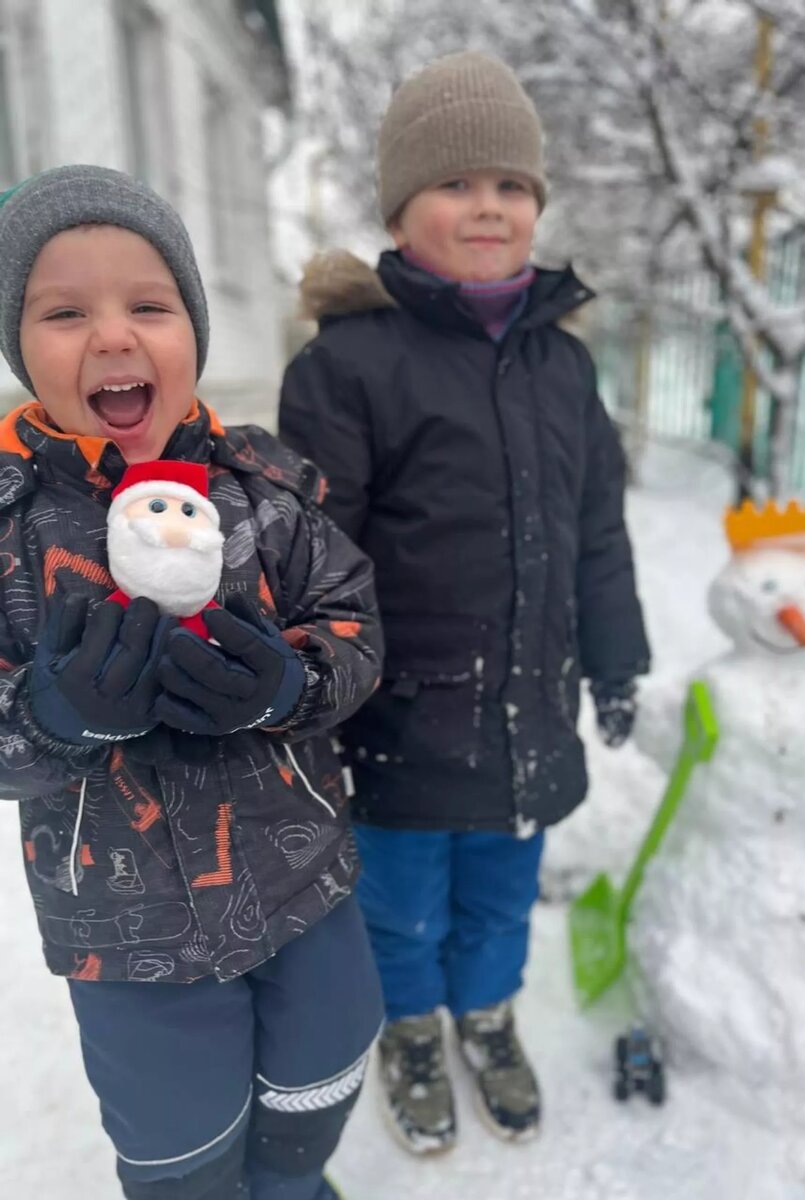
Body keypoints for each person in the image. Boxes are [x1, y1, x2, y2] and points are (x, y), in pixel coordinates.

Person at [278, 51, 650, 1154]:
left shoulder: (564, 369)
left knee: (499, 896)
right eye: (457, 183)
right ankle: (409, 1030)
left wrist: (616, 656)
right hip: (399, 721)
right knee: (401, 908)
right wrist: (321, 696)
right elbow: (318, 551)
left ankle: (486, 1020)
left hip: (530, 709)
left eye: (512, 186)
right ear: (402, 209)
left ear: (536, 205)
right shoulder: (348, 366)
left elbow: (597, 528)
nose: (488, 205)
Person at [0, 164, 385, 1200]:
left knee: (327, 1064)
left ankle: (297, 1186)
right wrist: (48, 717)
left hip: (302, 883)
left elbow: (353, 623)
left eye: (150, 305)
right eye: (66, 311)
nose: (115, 337)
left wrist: (288, 688)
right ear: (19, 346)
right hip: (125, 938)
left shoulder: (267, 493)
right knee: (180, 1145)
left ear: (194, 336)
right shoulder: (8, 526)